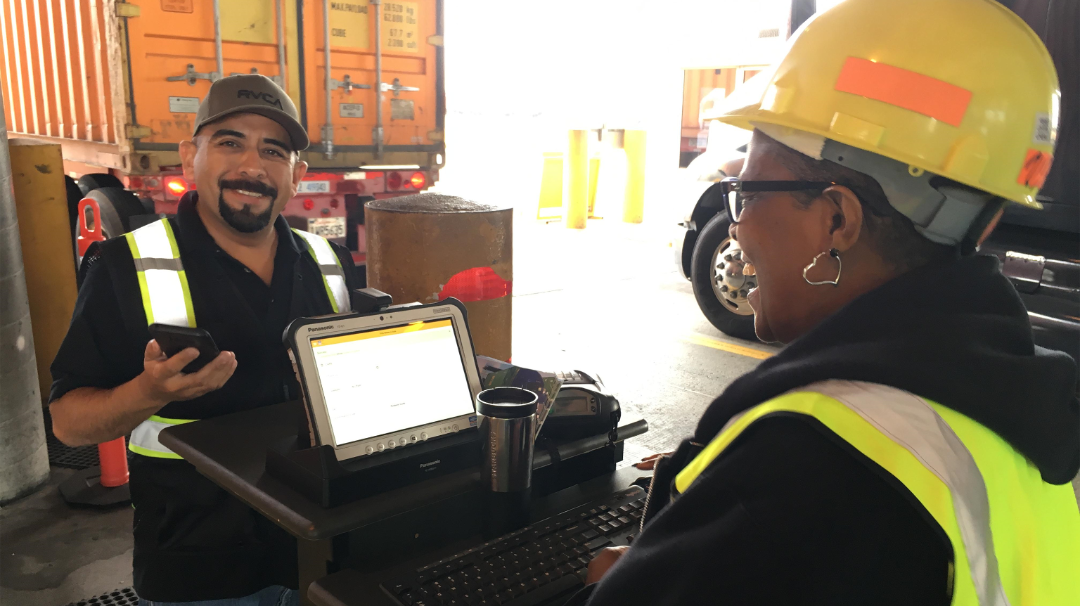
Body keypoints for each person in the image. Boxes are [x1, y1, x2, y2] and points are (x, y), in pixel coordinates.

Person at [580, 0, 1080, 604]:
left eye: (748, 192)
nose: (735, 227)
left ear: (837, 218)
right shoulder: (1008, 413)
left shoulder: (802, 472)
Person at [49, 74, 362, 605]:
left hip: (320, 552)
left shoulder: (328, 262)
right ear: (189, 155)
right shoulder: (126, 266)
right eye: (229, 142)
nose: (251, 165)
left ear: (296, 175)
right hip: (199, 569)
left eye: (273, 150)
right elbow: (69, 424)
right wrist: (149, 393)